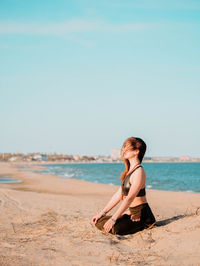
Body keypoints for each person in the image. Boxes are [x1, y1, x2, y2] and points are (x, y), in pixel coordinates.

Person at [91, 137, 156, 235]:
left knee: (113, 229)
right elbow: (118, 195)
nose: (123, 150)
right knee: (99, 221)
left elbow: (129, 198)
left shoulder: (139, 172)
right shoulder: (129, 171)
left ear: (136, 151)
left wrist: (114, 218)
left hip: (142, 216)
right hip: (132, 213)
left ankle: (128, 218)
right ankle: (125, 216)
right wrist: (102, 213)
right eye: (123, 147)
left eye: (127, 147)